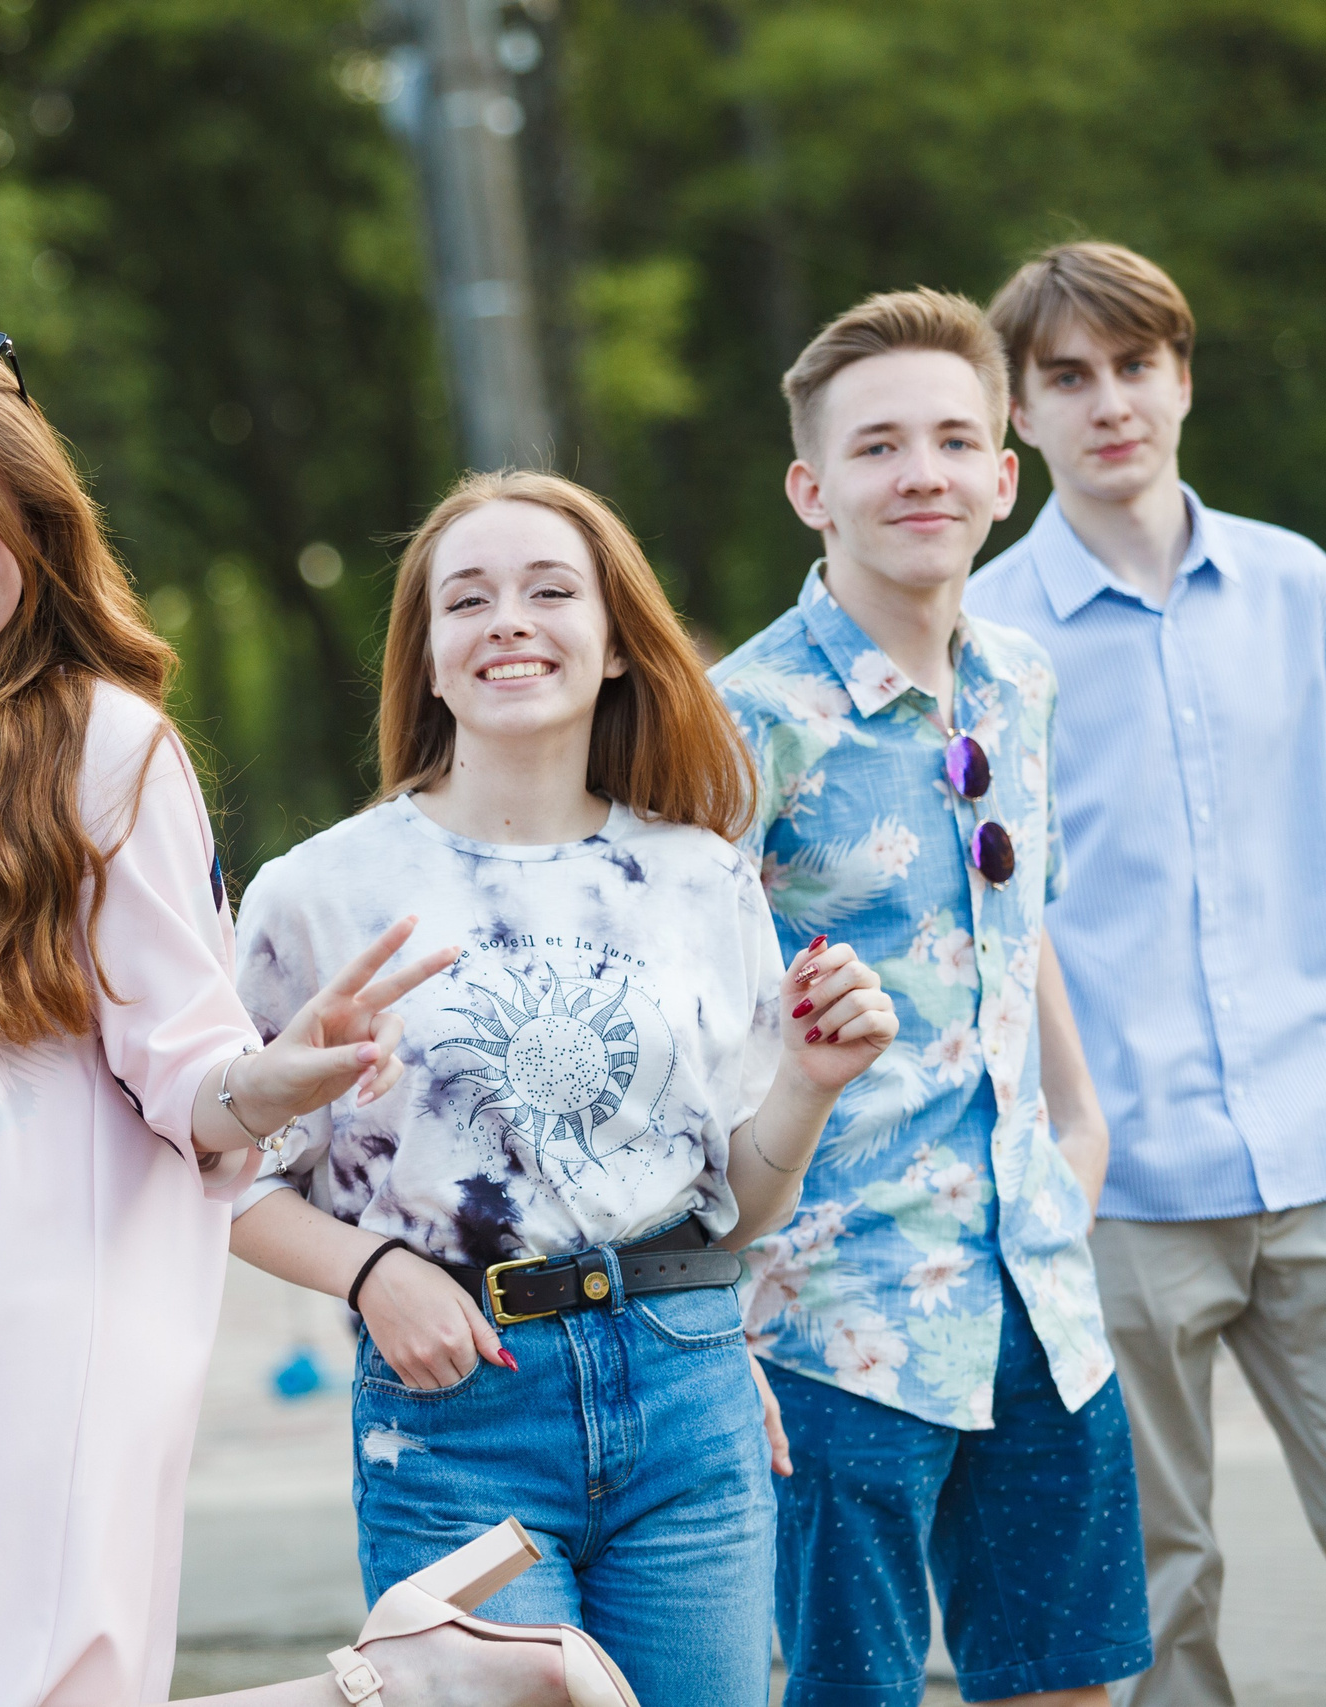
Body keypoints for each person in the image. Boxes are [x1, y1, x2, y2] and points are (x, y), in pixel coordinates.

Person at [0, 331, 575, 1707]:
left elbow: (188, 1073)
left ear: (35, 525)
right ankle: (414, 1680)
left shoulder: (100, 741)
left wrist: (277, 1079)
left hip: (45, 1325)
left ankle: (406, 1688)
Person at [227, 468, 896, 1707]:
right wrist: (373, 1277)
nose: (509, 621)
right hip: (457, 1407)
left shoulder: (700, 878)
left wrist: (807, 1082)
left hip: (688, 1388)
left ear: (615, 644)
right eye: (466, 600)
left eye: (549, 590)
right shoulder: (320, 895)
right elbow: (220, 1180)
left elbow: (733, 1212)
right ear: (426, 660)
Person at [713, 289, 1152, 1707]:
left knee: (1068, 1683)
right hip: (837, 1307)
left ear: (1003, 475)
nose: (923, 473)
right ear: (811, 487)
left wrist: (1078, 1135)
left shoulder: (1019, 681)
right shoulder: (739, 722)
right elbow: (687, 1015)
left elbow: (1022, 930)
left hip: (1037, 1283)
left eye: (956, 441)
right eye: (880, 444)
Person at [963, 241, 1326, 1707]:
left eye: (1135, 364)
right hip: (1110, 1187)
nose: (1109, 401)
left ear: (1182, 377)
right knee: (1156, 1588)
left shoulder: (1303, 590)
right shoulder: (981, 640)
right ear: (1021, 416)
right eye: (1068, 376)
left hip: (1315, 1146)